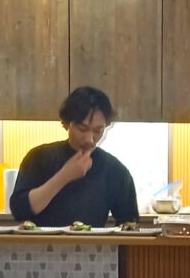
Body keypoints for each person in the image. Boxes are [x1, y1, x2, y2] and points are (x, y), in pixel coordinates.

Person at [10, 86, 139, 227]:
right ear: (67, 124)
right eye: (82, 129)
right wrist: (64, 176)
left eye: (98, 131)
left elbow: (129, 223)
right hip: (40, 241)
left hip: (92, 242)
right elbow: (19, 211)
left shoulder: (115, 170)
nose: (89, 139)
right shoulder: (39, 157)